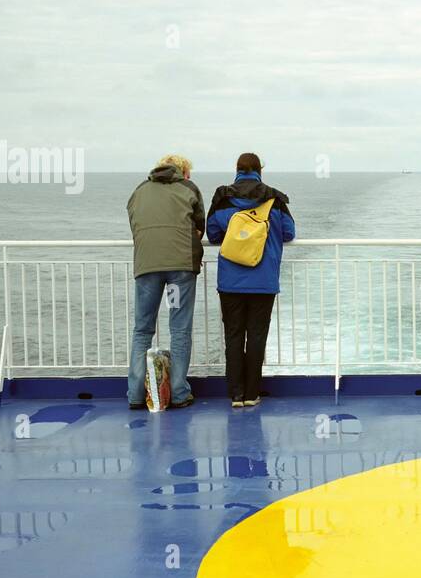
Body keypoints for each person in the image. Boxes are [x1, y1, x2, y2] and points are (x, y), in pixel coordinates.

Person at [206, 152, 295, 408]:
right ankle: (252, 393)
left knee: (234, 335)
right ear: (260, 170)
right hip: (263, 281)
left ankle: (235, 394)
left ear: (237, 169)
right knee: (256, 336)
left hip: (231, 282)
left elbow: (212, 234)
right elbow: (289, 232)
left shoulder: (223, 198)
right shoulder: (274, 199)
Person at [126, 154, 204, 409]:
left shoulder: (139, 191)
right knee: (179, 328)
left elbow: (134, 223)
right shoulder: (188, 189)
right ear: (184, 172)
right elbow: (199, 226)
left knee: (142, 329)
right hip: (179, 271)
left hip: (148, 267)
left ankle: (136, 395)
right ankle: (179, 392)